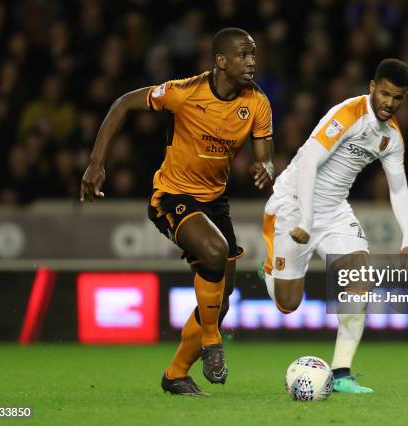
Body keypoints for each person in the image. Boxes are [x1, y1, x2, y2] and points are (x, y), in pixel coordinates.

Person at [80, 28, 274, 396]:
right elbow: (122, 103)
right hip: (172, 195)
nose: (252, 62)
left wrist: (266, 169)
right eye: (244, 55)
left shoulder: (258, 103)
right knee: (216, 253)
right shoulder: (184, 93)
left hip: (215, 202)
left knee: (224, 293)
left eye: (254, 55)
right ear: (221, 61)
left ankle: (176, 374)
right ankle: (213, 343)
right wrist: (96, 163)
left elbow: (266, 156)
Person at [260, 59, 408, 393]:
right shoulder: (347, 114)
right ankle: (270, 268)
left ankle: (342, 373)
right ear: (373, 88)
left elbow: (399, 188)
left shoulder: (391, 137)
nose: (389, 103)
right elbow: (307, 164)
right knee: (287, 304)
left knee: (358, 276)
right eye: (385, 93)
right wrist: (305, 219)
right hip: (293, 203)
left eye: (398, 97)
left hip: (333, 210)